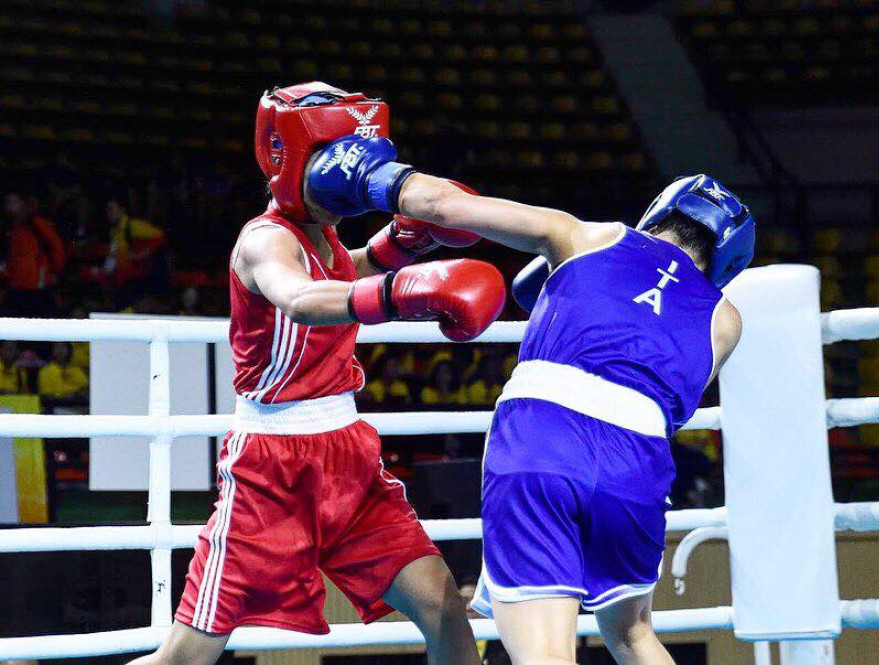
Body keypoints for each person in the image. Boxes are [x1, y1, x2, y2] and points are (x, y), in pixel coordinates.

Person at [303, 135, 753, 664]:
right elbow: (667, 385)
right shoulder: (726, 321)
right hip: (637, 462)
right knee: (633, 636)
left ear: (660, 212)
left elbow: (441, 205)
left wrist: (369, 177)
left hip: (544, 439)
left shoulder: (590, 235)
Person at [130, 82, 505, 665]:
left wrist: (396, 250)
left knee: (442, 606)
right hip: (271, 467)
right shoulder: (263, 240)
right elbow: (301, 298)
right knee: (185, 658)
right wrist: (399, 292)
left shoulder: (322, 235)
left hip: (348, 458)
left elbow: (338, 274)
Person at [2, 192, 65, 317]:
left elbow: (57, 249)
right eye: (7, 203)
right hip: (16, 288)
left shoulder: (38, 224)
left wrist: (54, 272)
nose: (9, 206)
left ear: (23, 203)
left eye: (13, 202)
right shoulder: (9, 228)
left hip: (38, 288)